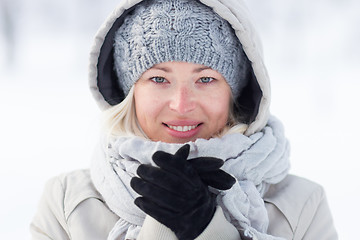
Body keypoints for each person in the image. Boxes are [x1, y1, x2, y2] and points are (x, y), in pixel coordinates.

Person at [30, 0, 338, 239]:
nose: (181, 105)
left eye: (205, 79)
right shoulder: (67, 202)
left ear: (236, 92)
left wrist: (207, 229)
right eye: (158, 79)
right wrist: (162, 227)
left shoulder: (302, 206)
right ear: (130, 91)